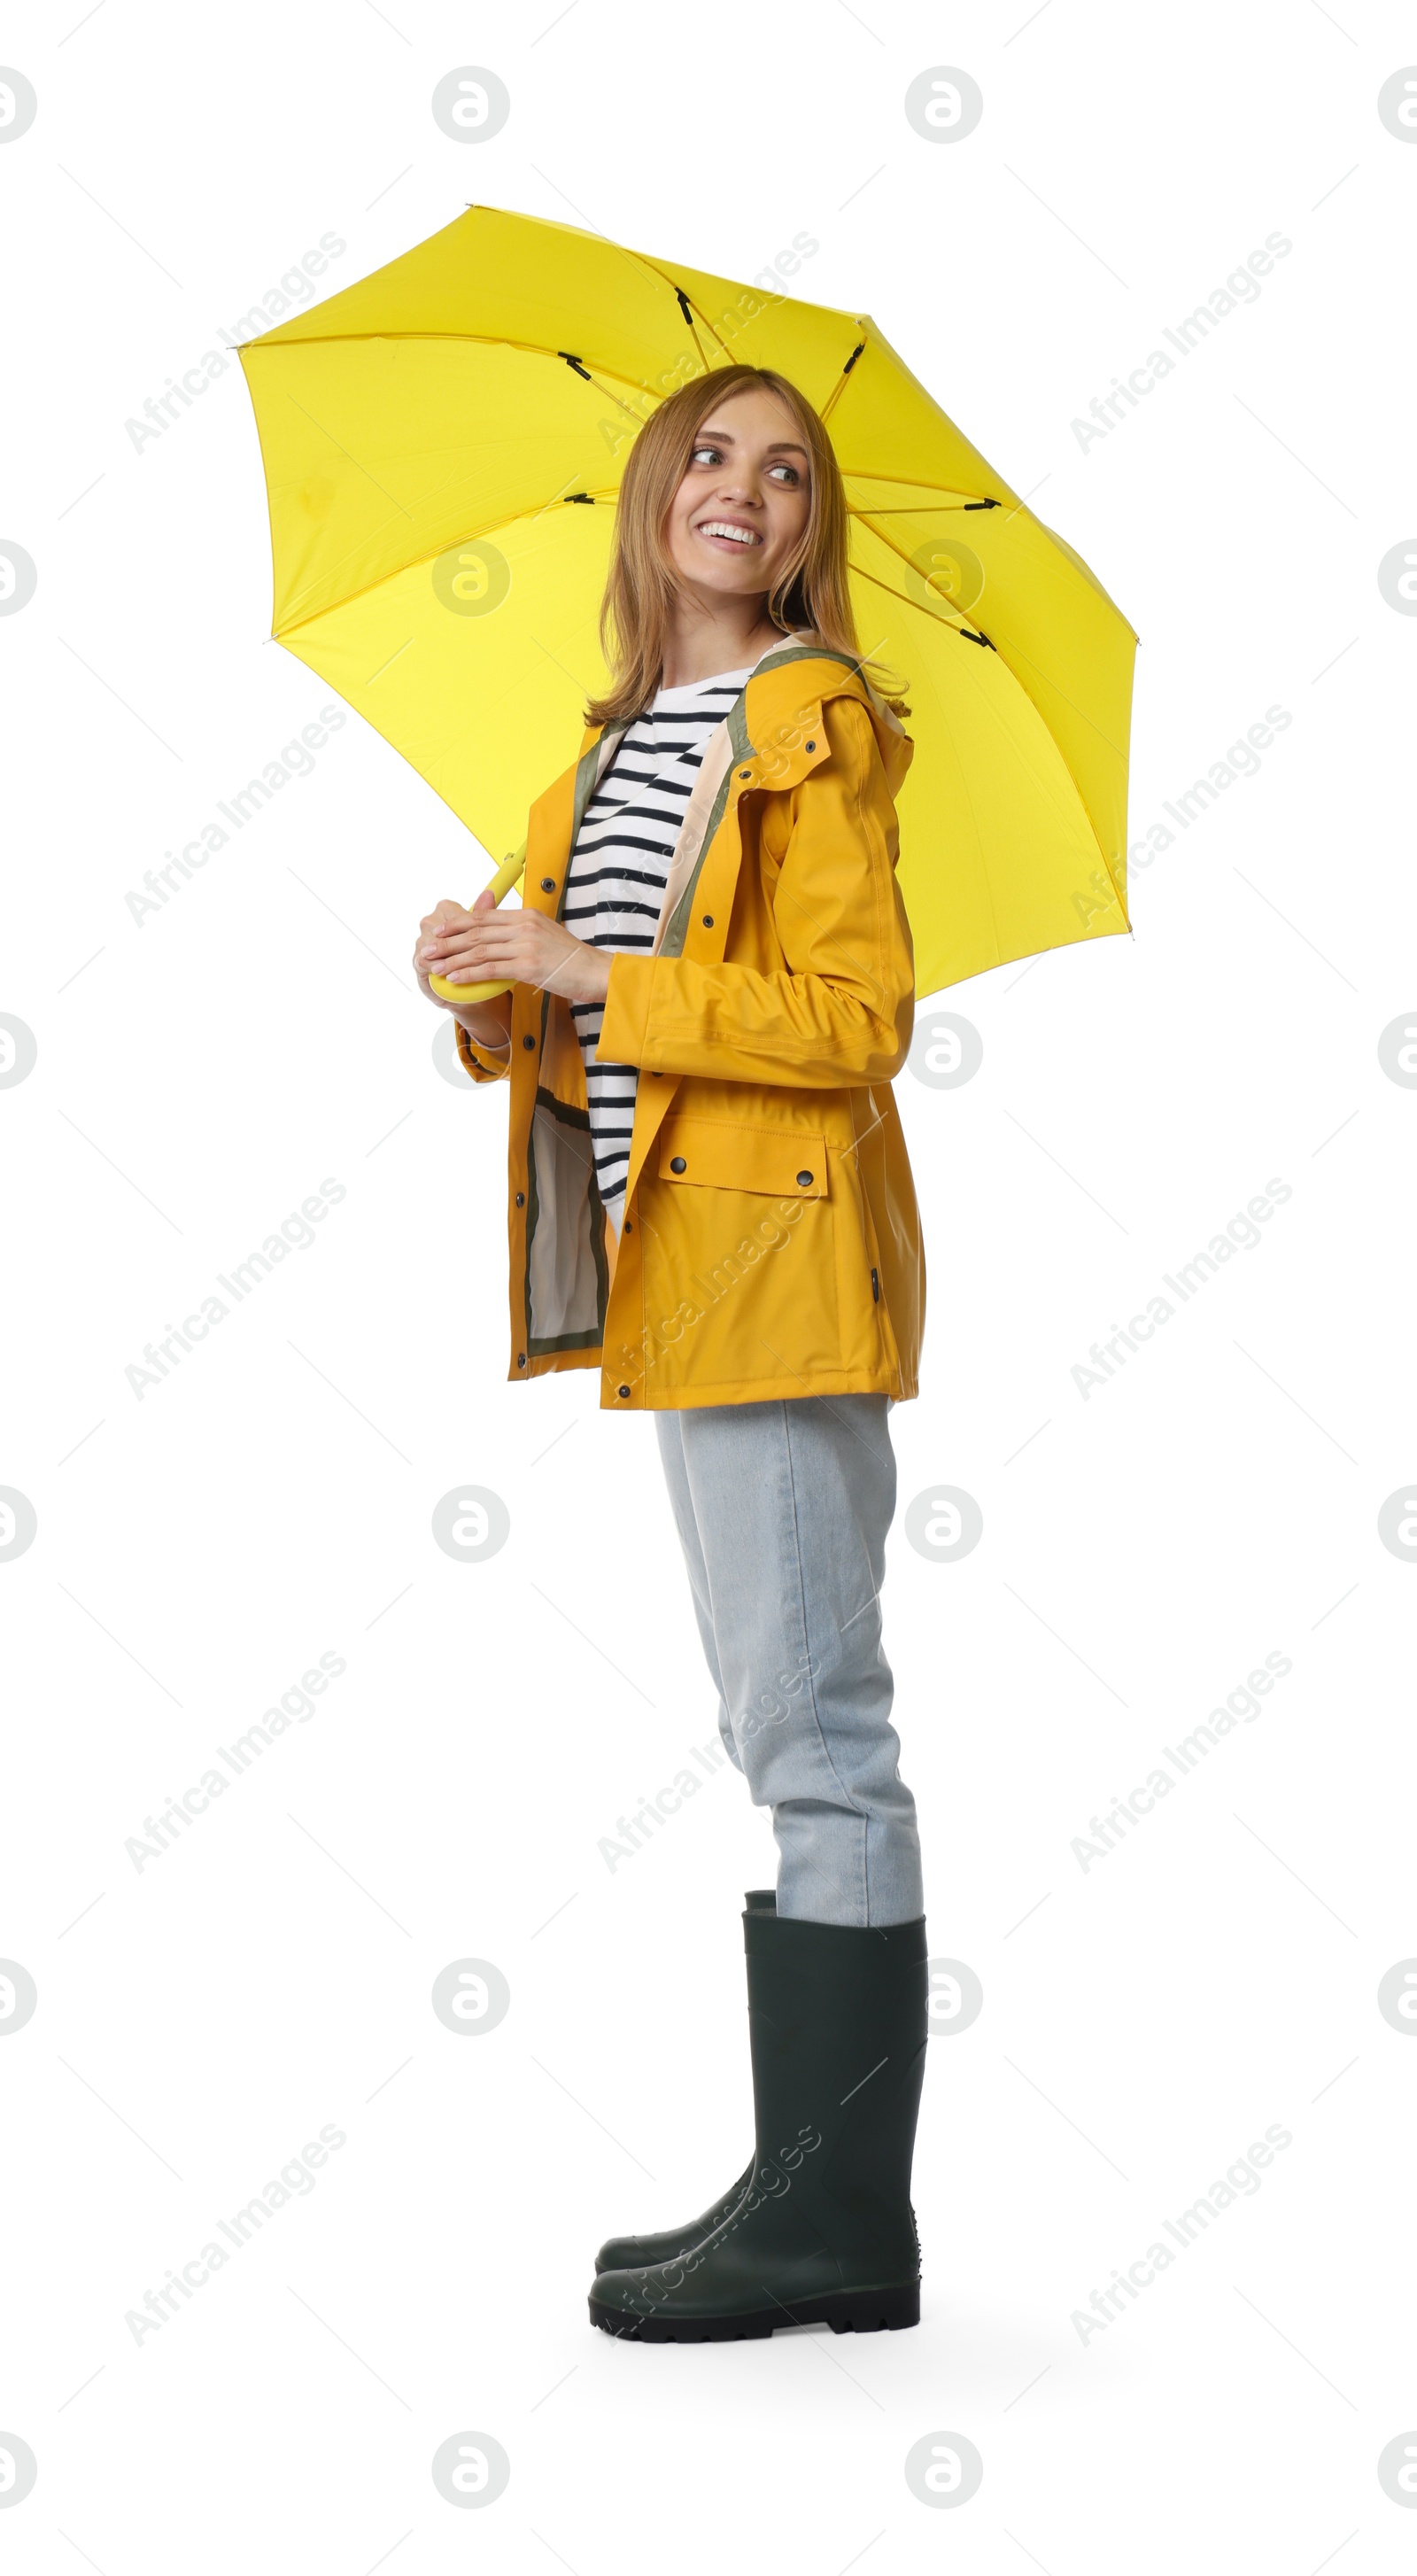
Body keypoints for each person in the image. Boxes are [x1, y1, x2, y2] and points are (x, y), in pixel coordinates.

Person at [414, 363, 928, 2342]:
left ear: (808, 533)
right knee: (778, 1726)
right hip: (678, 1278)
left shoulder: (812, 729)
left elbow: (847, 1020)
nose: (741, 488)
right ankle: (806, 2189)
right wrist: (484, 984)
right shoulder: (614, 746)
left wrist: (589, 971)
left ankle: (833, 2227)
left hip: (773, 1275)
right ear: (650, 493)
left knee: (818, 1738)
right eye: (708, 454)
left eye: (783, 472)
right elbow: (574, 1024)